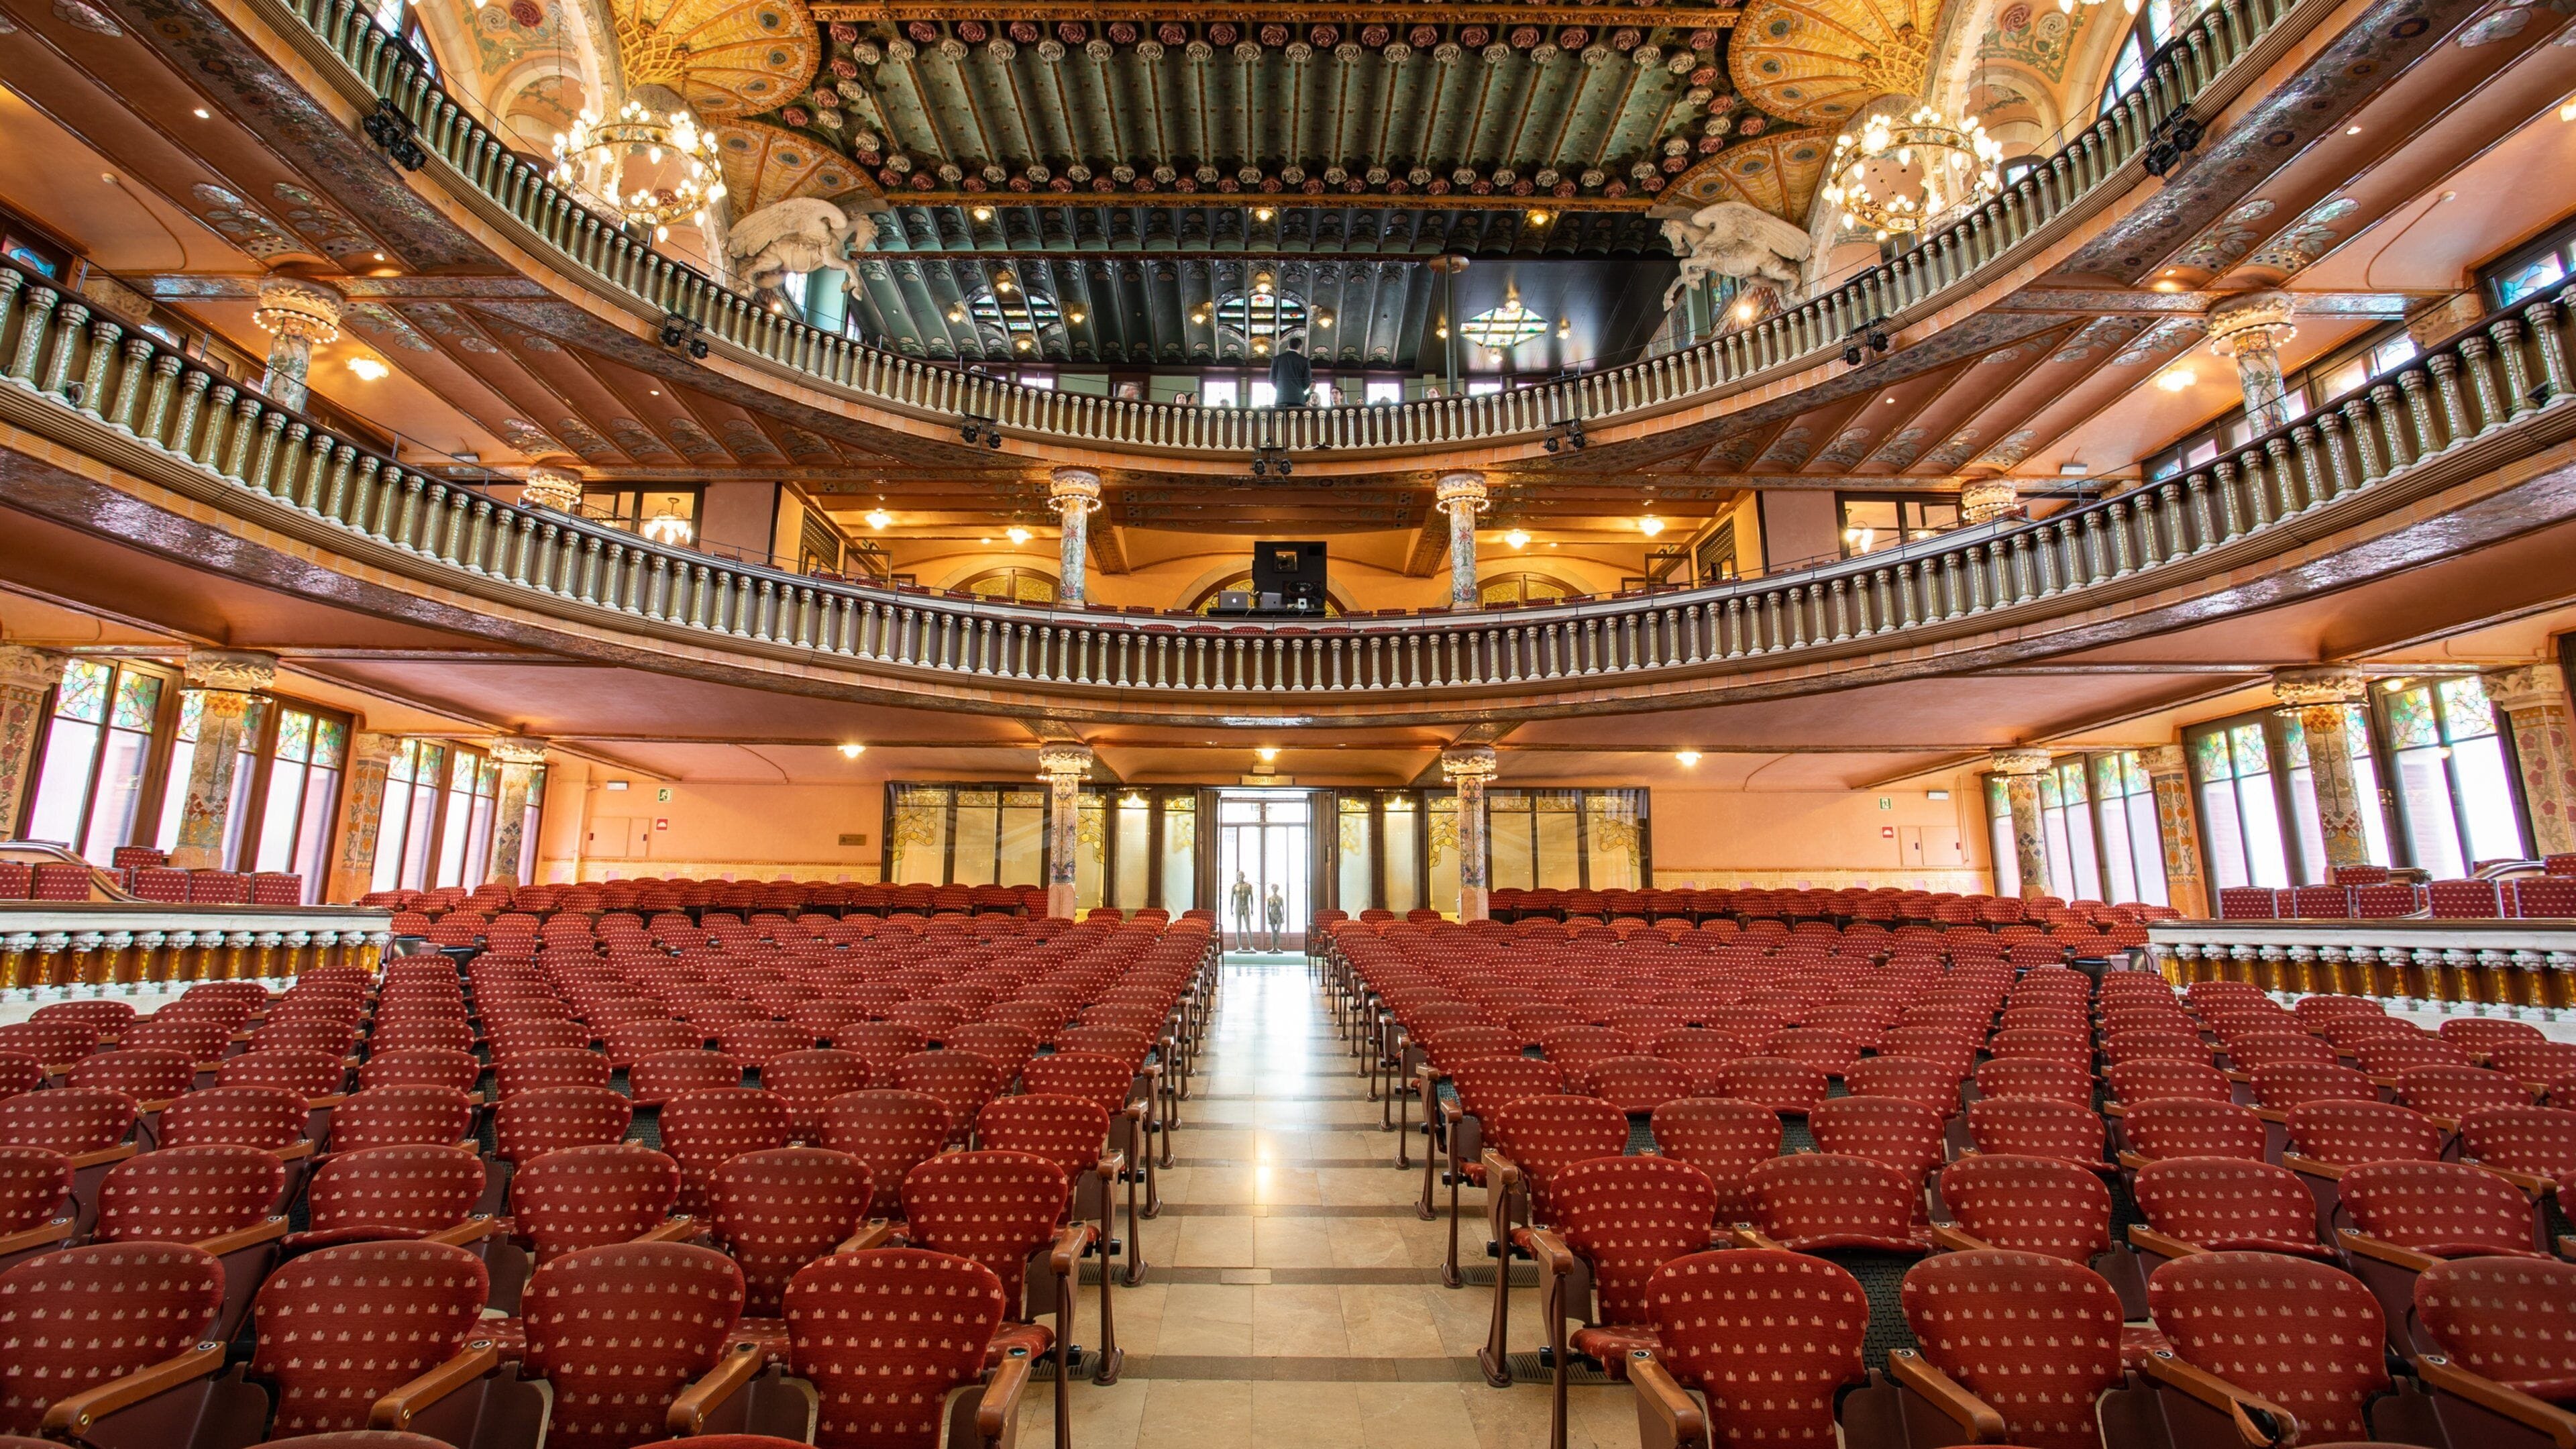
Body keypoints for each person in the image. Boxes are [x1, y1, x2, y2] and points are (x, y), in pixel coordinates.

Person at [1268, 335, 1311, 409]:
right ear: (1300, 348)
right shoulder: (1304, 361)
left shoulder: (1277, 359)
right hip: (1298, 400)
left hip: (1281, 398)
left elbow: (1272, 380)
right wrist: (1299, 390)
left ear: (1288, 347)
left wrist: (1281, 388)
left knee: (1280, 419)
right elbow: (1307, 381)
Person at [1230, 870, 1254, 950]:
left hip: (1246, 907)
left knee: (1248, 927)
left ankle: (1251, 946)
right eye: (1239, 875)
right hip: (1238, 907)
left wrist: (1252, 909)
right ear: (1237, 876)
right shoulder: (1235, 886)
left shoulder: (1248, 886)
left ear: (1244, 876)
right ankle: (1239, 946)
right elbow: (1232, 898)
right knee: (1238, 927)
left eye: (1242, 875)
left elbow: (1252, 898)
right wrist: (1231, 909)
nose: (1240, 876)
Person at [1265, 882, 1286, 953]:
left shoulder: (1280, 898)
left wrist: (1283, 917)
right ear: (1272, 889)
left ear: (1278, 889)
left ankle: (1277, 947)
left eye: (1276, 888)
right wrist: (1268, 918)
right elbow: (1267, 909)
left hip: (1279, 916)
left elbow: (1283, 908)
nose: (1275, 889)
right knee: (1273, 932)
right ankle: (1273, 947)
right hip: (1272, 916)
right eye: (1274, 888)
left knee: (1278, 932)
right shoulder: (1269, 899)